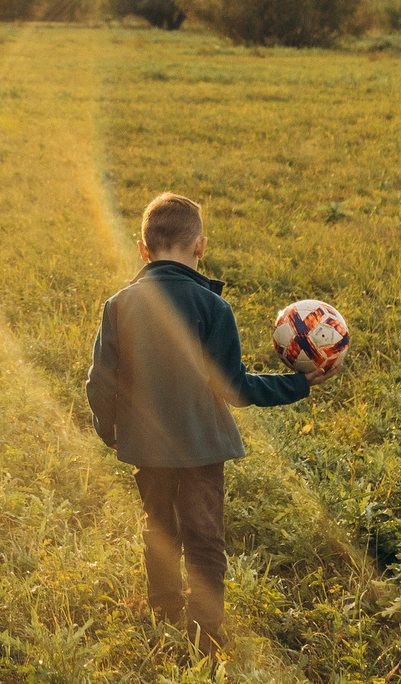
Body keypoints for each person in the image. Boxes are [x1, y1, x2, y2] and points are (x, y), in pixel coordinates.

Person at [83, 194, 335, 650]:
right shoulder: (214, 307)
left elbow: (99, 382)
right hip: (203, 449)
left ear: (143, 249)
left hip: (147, 448)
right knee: (204, 539)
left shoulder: (118, 305)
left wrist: (110, 429)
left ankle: (163, 615)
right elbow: (234, 387)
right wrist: (298, 384)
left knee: (159, 530)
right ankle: (206, 634)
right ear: (200, 246)